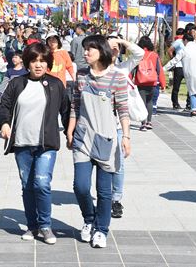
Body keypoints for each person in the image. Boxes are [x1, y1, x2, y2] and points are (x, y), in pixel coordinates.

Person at [0, 43, 69, 245]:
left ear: (48, 64)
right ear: (28, 62)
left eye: (43, 61)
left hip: (47, 144)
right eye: (34, 61)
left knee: (42, 183)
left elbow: (66, 111)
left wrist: (71, 134)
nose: (38, 65)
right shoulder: (17, 83)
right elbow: (5, 106)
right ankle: (32, 225)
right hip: (22, 143)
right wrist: (4, 123)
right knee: (27, 186)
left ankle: (45, 225)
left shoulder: (56, 85)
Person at [67, 35, 131, 249]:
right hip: (83, 138)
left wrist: (127, 137)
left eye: (89, 49)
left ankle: (101, 230)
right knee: (81, 186)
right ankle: (89, 218)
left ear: (101, 51)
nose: (85, 53)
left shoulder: (117, 77)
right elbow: (75, 104)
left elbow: (123, 109)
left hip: (106, 139)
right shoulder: (82, 75)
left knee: (104, 192)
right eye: (85, 49)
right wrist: (70, 129)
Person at [107, 36, 144, 219]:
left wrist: (123, 42)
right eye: (109, 46)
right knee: (102, 163)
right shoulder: (95, 70)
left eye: (116, 48)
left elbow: (140, 54)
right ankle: (104, 195)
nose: (113, 49)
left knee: (119, 163)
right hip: (99, 124)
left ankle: (116, 199)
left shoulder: (123, 68)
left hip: (119, 124)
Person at [163, 32, 196, 118]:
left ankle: (194, 110)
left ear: (185, 40)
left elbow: (174, 61)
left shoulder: (183, 50)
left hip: (192, 73)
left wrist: (162, 69)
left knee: (193, 91)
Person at [134, 36, 166, 129]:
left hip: (140, 81)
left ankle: (143, 123)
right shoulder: (154, 55)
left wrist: (129, 80)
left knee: (142, 103)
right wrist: (163, 83)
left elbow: (133, 69)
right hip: (152, 82)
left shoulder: (138, 54)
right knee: (149, 102)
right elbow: (159, 70)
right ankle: (149, 122)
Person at [167, 27, 186, 110]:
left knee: (190, 85)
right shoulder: (178, 42)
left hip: (186, 66)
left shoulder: (187, 42)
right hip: (178, 66)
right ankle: (175, 103)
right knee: (176, 86)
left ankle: (189, 103)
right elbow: (169, 50)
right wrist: (173, 60)